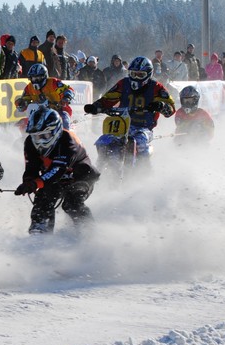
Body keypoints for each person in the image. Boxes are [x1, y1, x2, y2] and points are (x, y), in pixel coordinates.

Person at [14, 106, 99, 235]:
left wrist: (35, 183)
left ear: (56, 131)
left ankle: (89, 232)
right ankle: (40, 230)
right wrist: (28, 182)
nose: (40, 141)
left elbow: (58, 170)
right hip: (54, 178)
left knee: (71, 203)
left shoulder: (68, 140)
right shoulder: (30, 143)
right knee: (43, 197)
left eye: (44, 135)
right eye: (36, 137)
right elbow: (31, 168)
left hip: (80, 176)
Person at [84, 56, 176, 168]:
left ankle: (142, 170)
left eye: (140, 75)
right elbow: (108, 99)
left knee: (139, 141)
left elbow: (171, 109)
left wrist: (161, 106)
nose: (136, 78)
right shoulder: (124, 83)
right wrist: (96, 106)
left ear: (148, 74)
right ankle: (99, 168)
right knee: (106, 140)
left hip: (144, 127)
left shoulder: (156, 87)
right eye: (133, 74)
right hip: (123, 124)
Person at [16, 63, 75, 129]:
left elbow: (68, 90)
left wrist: (67, 97)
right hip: (39, 113)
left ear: (44, 76)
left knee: (64, 120)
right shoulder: (29, 87)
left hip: (59, 110)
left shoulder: (53, 83)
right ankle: (25, 137)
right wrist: (22, 103)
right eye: (33, 78)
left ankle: (65, 135)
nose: (35, 80)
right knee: (22, 123)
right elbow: (25, 98)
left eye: (38, 78)